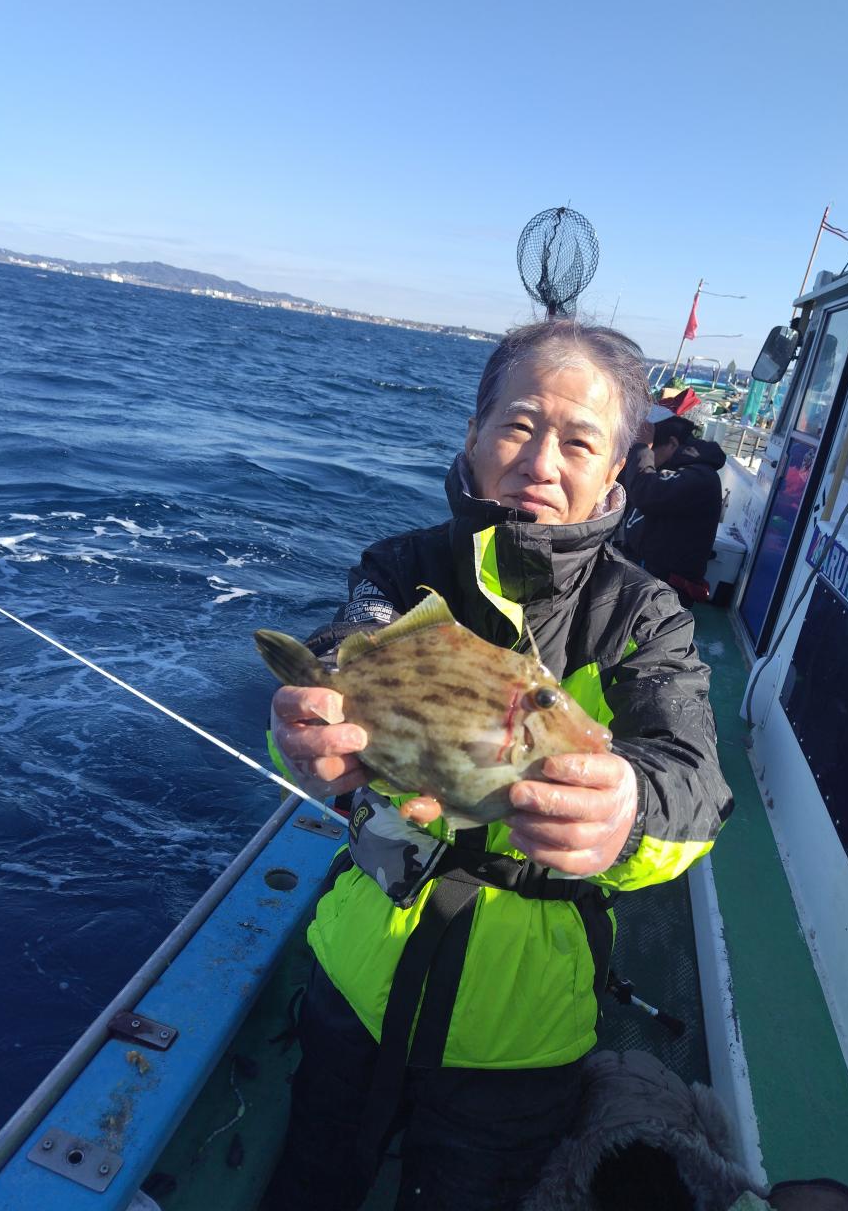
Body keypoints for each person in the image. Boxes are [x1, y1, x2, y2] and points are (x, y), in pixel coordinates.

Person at [264, 319, 733, 1211]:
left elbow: (694, 780)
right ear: (474, 434)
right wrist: (305, 731)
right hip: (354, 981)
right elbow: (348, 646)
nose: (540, 463)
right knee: (311, 1179)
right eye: (518, 425)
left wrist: (628, 808)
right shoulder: (401, 567)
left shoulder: (641, 614)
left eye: (579, 442)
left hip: (519, 1034)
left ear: (617, 466)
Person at [623, 414, 727, 603]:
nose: (649, 462)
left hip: (663, 594)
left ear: (672, 443)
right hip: (642, 578)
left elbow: (644, 492)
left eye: (651, 452)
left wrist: (641, 448)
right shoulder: (670, 472)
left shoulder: (701, 478)